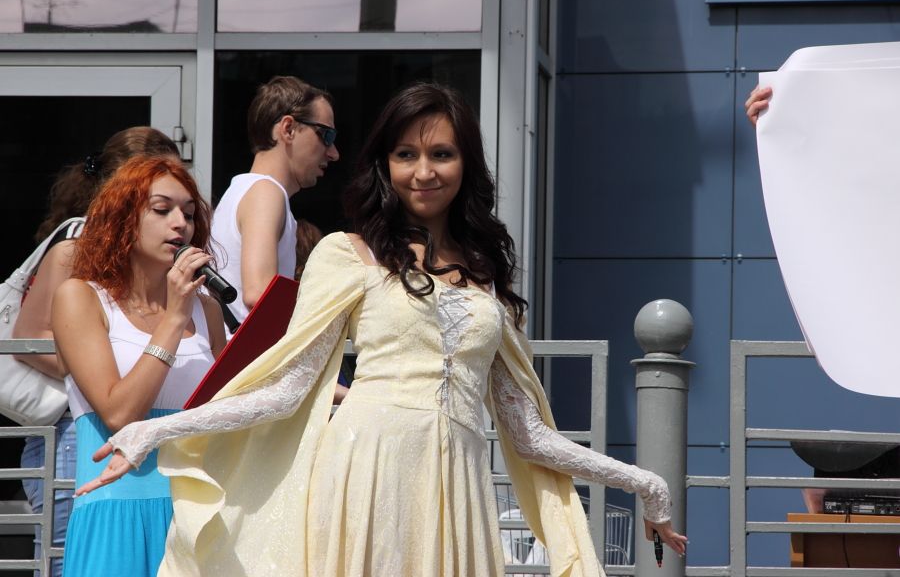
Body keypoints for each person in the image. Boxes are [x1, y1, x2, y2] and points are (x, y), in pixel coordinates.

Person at [79, 83, 688, 576]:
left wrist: (645, 483)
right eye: (405, 155)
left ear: (466, 164)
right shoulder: (348, 254)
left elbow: (528, 435)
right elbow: (287, 389)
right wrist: (156, 429)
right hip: (365, 479)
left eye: (441, 154)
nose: (424, 172)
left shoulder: (487, 279)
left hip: (458, 494)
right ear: (384, 164)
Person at [12, 126, 180, 577]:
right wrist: (99, 369)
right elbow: (28, 338)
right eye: (157, 200)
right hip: (76, 431)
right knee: (68, 556)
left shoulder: (173, 276)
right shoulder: (74, 250)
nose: (176, 218)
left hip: (150, 443)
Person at [51, 155, 225, 577]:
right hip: (116, 510)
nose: (180, 224)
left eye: (189, 213)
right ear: (123, 220)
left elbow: (231, 401)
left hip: (196, 509)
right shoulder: (81, 297)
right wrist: (174, 317)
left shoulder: (207, 310)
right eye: (162, 210)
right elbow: (120, 413)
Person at [212, 75, 340, 328]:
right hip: (252, 351)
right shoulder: (266, 192)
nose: (334, 153)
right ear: (288, 129)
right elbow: (258, 293)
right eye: (326, 135)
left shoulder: (241, 191)